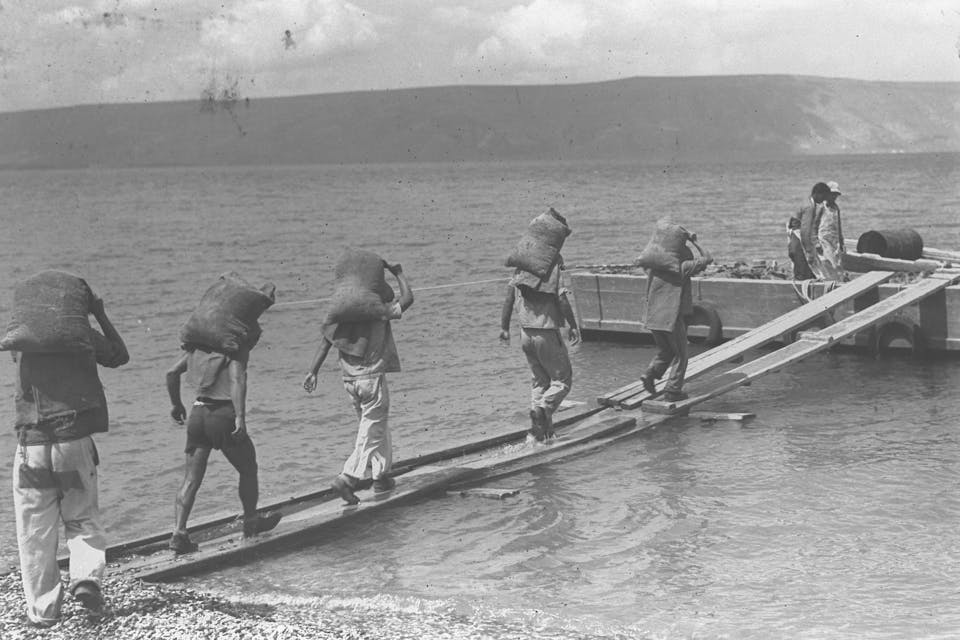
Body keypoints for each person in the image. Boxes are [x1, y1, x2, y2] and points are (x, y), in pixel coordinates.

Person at [11, 293, 128, 626]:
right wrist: (100, 315)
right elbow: (120, 355)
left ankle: (43, 612)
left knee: (35, 531)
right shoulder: (82, 337)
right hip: (71, 445)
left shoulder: (21, 341)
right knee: (81, 516)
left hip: (30, 449)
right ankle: (86, 578)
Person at [303, 261, 413, 505]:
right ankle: (348, 477)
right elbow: (407, 300)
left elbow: (326, 342)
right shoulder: (377, 311)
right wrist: (399, 273)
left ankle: (381, 475)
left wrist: (313, 371)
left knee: (374, 427)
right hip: (371, 378)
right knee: (371, 431)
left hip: (349, 380)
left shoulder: (344, 315)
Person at [166, 344, 281, 554]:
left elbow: (171, 373)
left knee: (191, 479)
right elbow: (238, 380)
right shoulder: (233, 352)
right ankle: (250, 522)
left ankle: (178, 533)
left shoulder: (198, 352)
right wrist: (240, 417)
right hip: (222, 414)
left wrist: (176, 404)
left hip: (197, 413)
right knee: (248, 469)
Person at [499, 257, 581, 441]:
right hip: (546, 333)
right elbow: (561, 299)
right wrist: (573, 325)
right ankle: (543, 409)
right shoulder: (551, 268)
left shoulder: (521, 268)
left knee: (540, 382)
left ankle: (543, 432)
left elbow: (508, 299)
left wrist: (504, 328)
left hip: (525, 333)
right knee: (562, 381)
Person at [638, 235, 713, 402]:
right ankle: (672, 391)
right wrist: (694, 241)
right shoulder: (682, 266)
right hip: (671, 317)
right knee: (681, 355)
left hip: (653, 317)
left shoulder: (653, 267)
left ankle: (650, 374)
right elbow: (708, 258)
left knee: (667, 350)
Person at [787, 182, 831, 280]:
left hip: (794, 239)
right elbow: (805, 231)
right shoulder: (810, 207)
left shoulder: (806, 202)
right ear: (817, 194)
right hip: (799, 241)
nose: (824, 200)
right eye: (823, 196)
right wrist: (809, 252)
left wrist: (815, 243)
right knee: (804, 274)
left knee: (799, 272)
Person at [816, 180, 845, 279]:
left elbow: (838, 225)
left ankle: (839, 281)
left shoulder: (836, 208)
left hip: (835, 240)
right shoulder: (821, 207)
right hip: (824, 239)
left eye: (836, 195)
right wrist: (816, 242)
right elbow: (814, 225)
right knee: (830, 263)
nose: (834, 197)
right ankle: (832, 282)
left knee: (838, 263)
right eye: (832, 194)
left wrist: (841, 241)